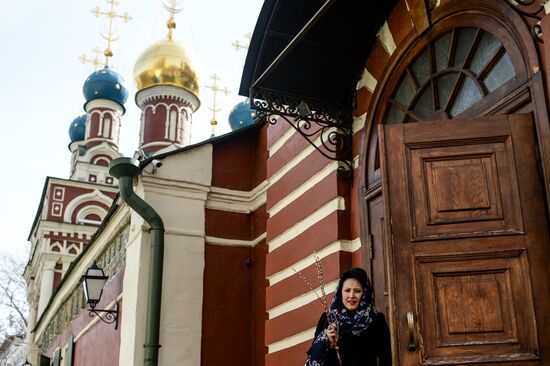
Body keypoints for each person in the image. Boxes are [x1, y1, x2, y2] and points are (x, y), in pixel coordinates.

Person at [305, 267, 392, 366]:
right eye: (347, 290)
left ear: (365, 293)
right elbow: (316, 358)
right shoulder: (328, 319)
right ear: (340, 292)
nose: (351, 295)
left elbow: (386, 359)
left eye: (357, 291)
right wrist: (329, 344)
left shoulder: (376, 320)